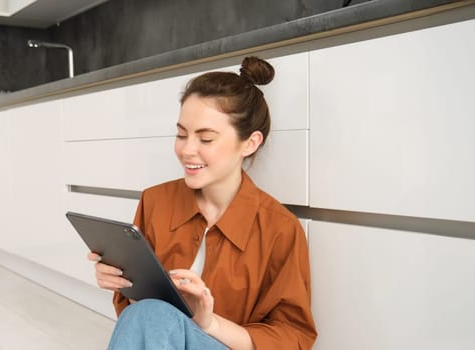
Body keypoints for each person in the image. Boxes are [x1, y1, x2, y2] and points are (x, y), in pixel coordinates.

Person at [88, 56, 316, 349]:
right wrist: (123, 282)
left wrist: (209, 323)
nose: (187, 150)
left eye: (206, 139)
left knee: (150, 314)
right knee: (147, 313)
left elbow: (293, 337)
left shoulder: (279, 228)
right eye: (181, 134)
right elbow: (141, 318)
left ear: (250, 143)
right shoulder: (154, 201)